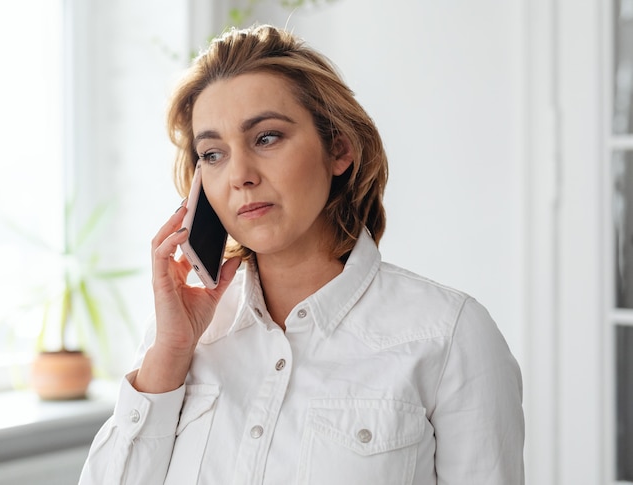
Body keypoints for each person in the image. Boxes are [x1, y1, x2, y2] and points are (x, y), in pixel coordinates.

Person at [78, 24, 524, 485]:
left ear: (339, 149)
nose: (240, 175)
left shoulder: (450, 337)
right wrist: (169, 354)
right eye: (212, 154)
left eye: (267, 137)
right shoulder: (179, 337)